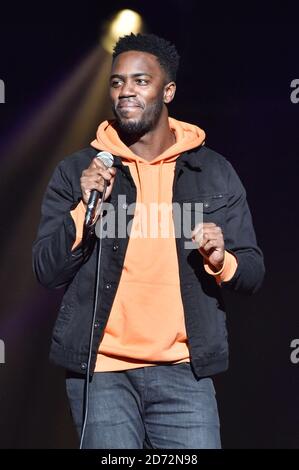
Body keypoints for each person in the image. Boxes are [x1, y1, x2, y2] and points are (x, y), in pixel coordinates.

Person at [32, 33, 265, 449]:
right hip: (101, 374)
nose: (126, 92)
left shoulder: (212, 172)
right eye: (118, 82)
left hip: (183, 373)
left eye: (141, 81)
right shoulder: (79, 172)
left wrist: (220, 258)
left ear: (168, 90)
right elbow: (46, 270)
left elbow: (252, 271)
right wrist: (82, 214)